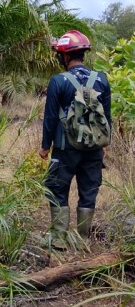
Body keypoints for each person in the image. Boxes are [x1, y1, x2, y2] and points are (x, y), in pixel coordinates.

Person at [39, 30, 112, 248]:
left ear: (66, 56)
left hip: (65, 147)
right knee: (88, 190)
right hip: (94, 148)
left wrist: (45, 147)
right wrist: (105, 145)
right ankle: (82, 239)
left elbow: (51, 118)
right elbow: (107, 117)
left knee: (57, 188)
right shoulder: (101, 79)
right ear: (83, 54)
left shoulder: (58, 81)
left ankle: (59, 238)